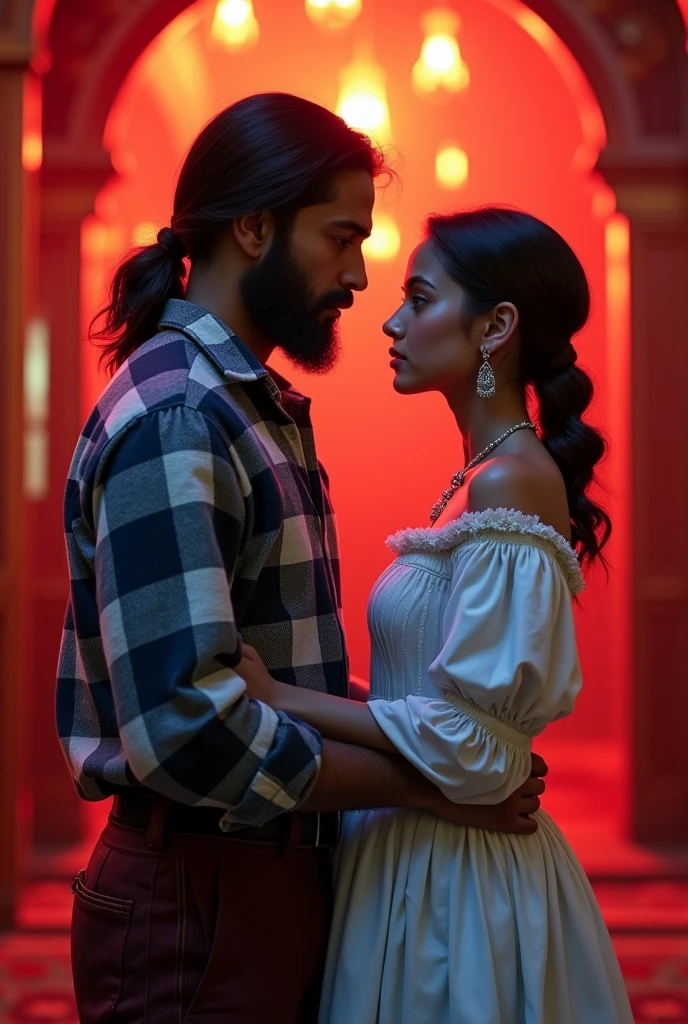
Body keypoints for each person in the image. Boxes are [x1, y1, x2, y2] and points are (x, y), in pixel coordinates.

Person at [56, 97, 547, 1024]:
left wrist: (457, 755)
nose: (360, 276)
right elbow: (189, 730)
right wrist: (440, 785)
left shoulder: (247, 404)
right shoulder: (179, 416)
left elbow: (283, 679)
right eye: (342, 236)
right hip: (198, 900)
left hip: (264, 881)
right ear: (253, 226)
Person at [237, 207, 634, 1023]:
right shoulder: (479, 480)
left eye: (419, 298)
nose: (389, 318)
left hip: (457, 879)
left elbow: (482, 752)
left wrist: (278, 698)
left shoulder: (509, 483)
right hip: (410, 851)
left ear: (497, 326)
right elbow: (434, 696)